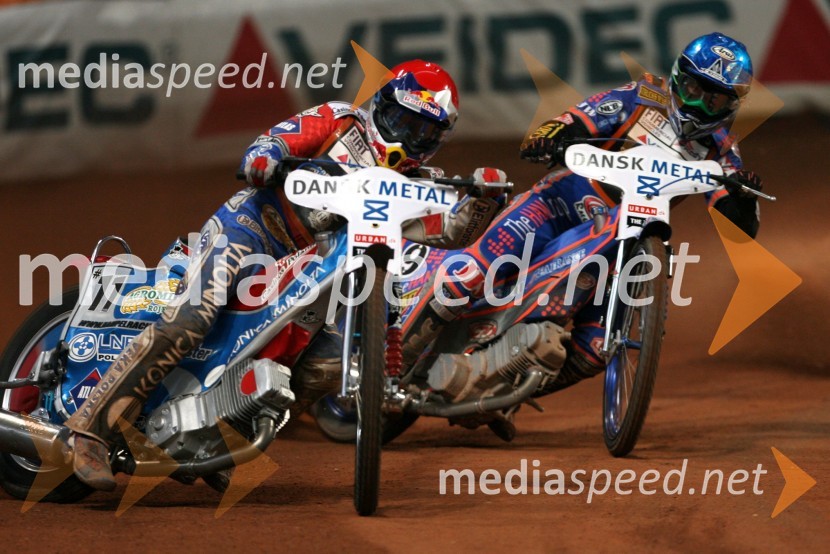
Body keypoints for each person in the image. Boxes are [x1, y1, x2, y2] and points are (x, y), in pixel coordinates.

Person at [65, 60, 506, 491]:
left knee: (329, 363)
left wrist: (484, 198)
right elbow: (275, 140)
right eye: (400, 120)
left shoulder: (417, 183)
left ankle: (225, 432)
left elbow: (453, 231)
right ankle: (89, 430)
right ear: (381, 105)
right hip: (256, 228)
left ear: (437, 141)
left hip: (313, 267)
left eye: (422, 132)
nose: (407, 137)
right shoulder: (339, 120)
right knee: (193, 315)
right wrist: (265, 159)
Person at [402, 33, 764, 399]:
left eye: (713, 98)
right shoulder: (641, 97)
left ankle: (501, 394)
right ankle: (394, 359)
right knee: (469, 275)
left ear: (731, 105)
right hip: (556, 206)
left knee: (593, 353)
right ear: (676, 78)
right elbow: (575, 119)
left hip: (622, 250)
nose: (698, 104)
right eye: (691, 88)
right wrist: (553, 135)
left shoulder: (722, 152)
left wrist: (742, 197)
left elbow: (740, 229)